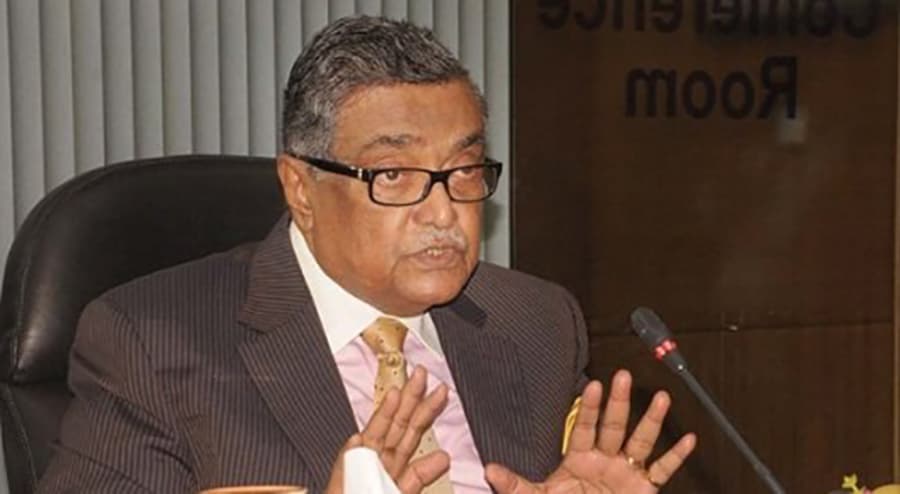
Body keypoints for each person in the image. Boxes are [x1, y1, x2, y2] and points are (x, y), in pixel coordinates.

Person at [38, 15, 695, 494]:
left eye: (464, 170)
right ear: (301, 189)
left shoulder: (536, 323)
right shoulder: (151, 342)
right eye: (395, 175)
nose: (444, 212)